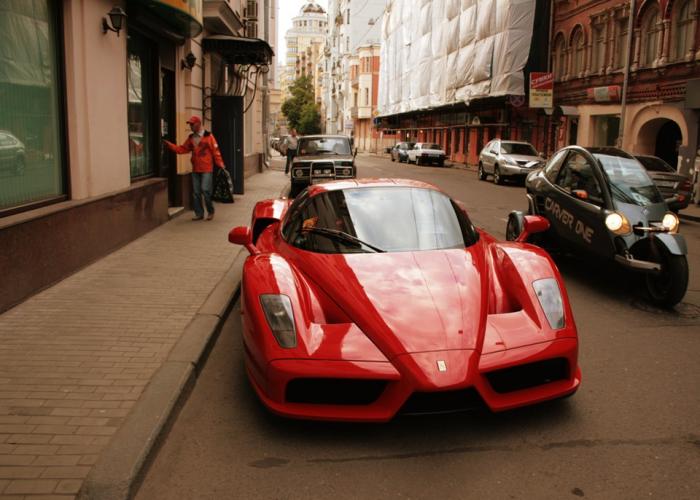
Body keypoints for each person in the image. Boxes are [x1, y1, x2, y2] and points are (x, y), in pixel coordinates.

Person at [164, 116, 225, 221]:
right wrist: (170, 145)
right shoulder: (191, 138)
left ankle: (210, 211)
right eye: (190, 124)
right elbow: (182, 149)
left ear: (198, 124)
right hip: (196, 169)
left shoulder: (209, 136)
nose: (190, 126)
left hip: (207, 169)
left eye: (192, 124)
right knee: (196, 193)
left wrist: (221, 165)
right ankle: (199, 214)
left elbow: (216, 152)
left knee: (205, 190)